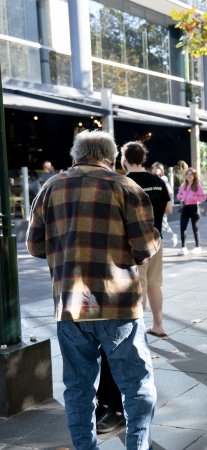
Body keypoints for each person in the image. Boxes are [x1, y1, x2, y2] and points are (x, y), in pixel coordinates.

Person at [26, 130, 159, 449]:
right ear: (112, 158)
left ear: (76, 156)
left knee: (78, 389)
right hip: (118, 305)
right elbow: (145, 247)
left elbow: (34, 246)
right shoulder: (127, 187)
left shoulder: (50, 187)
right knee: (137, 387)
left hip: (70, 305)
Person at [122, 141, 172, 337]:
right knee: (154, 284)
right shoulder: (157, 180)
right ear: (143, 158)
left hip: (134, 242)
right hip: (156, 238)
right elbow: (168, 209)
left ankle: (138, 332)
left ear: (124, 159)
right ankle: (158, 325)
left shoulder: (124, 182)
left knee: (139, 286)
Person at [177, 167, 206, 255]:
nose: (189, 176)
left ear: (194, 176)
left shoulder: (197, 185)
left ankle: (197, 247)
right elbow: (178, 195)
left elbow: (203, 197)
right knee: (183, 228)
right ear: (185, 176)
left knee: (195, 228)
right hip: (185, 207)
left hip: (194, 208)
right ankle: (183, 247)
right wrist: (181, 198)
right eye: (187, 174)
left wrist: (193, 199)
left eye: (191, 174)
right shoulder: (183, 186)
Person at [151, 162, 179, 247]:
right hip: (154, 204)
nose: (155, 170)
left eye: (157, 168)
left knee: (163, 224)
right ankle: (156, 241)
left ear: (161, 170)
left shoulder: (163, 178)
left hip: (161, 204)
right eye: (154, 168)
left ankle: (172, 235)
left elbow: (169, 190)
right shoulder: (153, 178)